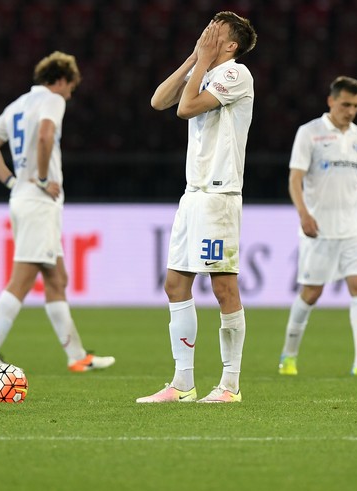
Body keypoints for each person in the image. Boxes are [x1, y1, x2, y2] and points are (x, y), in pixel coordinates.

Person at [137, 11, 257, 404]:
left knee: (223, 287)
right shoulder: (205, 71)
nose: (206, 32)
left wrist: (203, 62)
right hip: (193, 195)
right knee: (175, 284)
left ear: (231, 44)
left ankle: (230, 385)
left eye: (215, 30)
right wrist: (193, 59)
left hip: (219, 195)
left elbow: (184, 109)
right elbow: (159, 101)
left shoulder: (235, 74)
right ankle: (182, 383)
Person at [0, 51, 115, 373]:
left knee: (57, 278)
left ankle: (77, 356)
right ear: (60, 80)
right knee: (21, 280)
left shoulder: (16, 106)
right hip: (38, 202)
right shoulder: (52, 100)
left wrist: (12, 181)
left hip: (22, 198)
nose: (70, 94)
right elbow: (47, 134)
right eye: (70, 87)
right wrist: (43, 177)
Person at [278, 76, 357, 377]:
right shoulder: (310, 133)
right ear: (331, 101)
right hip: (320, 228)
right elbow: (295, 179)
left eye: (356, 106)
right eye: (346, 104)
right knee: (312, 292)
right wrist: (303, 214)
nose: (351, 110)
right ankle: (288, 355)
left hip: (353, 228)